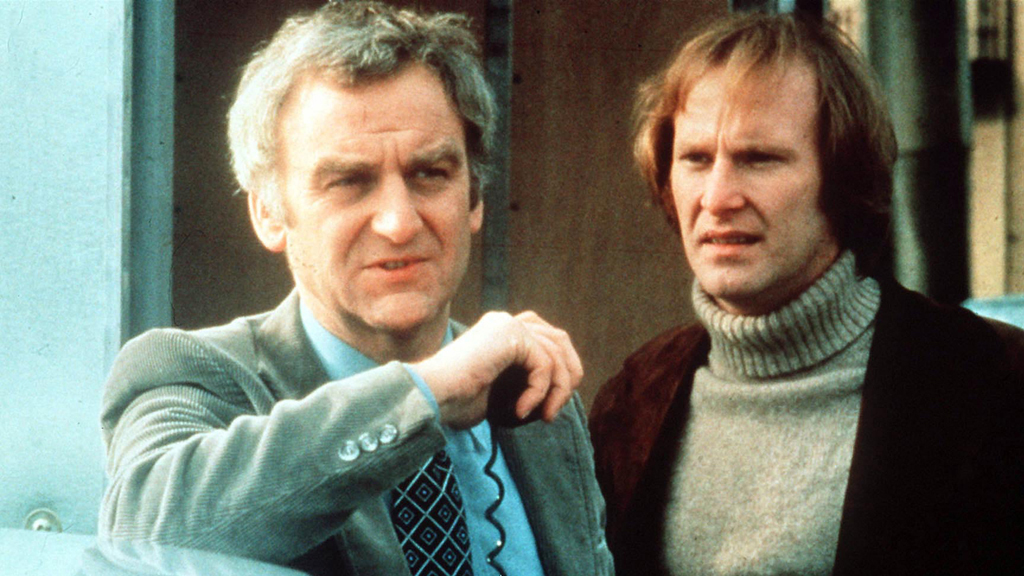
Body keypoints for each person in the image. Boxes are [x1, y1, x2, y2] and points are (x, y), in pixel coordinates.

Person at [99, 3, 613, 576]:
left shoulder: (532, 393)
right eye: (348, 181)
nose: (399, 223)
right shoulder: (190, 371)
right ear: (269, 213)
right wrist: (428, 393)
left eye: (430, 174)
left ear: (475, 198)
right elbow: (141, 532)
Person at [589, 12, 1024, 576]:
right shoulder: (633, 400)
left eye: (759, 159)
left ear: (845, 179)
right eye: (696, 158)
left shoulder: (989, 383)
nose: (717, 197)